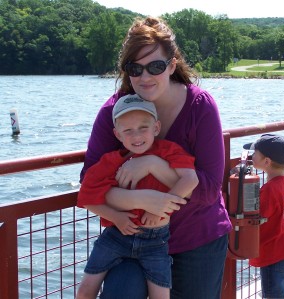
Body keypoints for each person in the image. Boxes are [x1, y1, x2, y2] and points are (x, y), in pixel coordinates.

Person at [79, 16, 232, 299]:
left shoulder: (200, 107)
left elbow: (209, 190)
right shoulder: (114, 113)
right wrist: (143, 200)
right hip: (131, 239)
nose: (145, 77)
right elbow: (89, 183)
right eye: (135, 68)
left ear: (172, 65)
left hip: (196, 239)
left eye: (156, 66)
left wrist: (152, 165)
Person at [76, 94, 199, 299]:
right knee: (85, 290)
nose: (136, 136)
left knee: (161, 296)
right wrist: (115, 217)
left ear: (156, 128)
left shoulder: (169, 152)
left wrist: (160, 208)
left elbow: (191, 180)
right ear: (117, 134)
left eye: (143, 128)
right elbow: (86, 197)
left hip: (156, 241)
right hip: (117, 235)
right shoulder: (111, 161)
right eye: (128, 131)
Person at [243, 134, 284, 299]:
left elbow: (258, 215)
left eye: (254, 154)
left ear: (266, 162)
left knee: (273, 295)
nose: (250, 156)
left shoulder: (269, 189)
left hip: (273, 251)